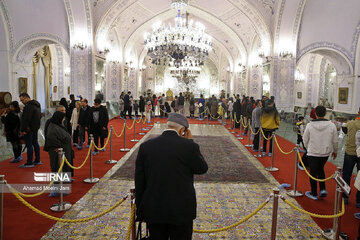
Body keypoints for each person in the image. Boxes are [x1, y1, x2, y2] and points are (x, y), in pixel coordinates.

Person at [135, 113, 208, 240]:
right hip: (181, 210)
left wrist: (141, 210)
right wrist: (190, 141)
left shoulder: (146, 147)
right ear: (182, 130)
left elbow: (140, 181)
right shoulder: (189, 147)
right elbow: (202, 168)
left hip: (154, 208)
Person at [303, 106, 338, 200]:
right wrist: (335, 151)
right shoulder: (331, 125)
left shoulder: (310, 125)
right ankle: (322, 189)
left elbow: (305, 139)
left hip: (313, 152)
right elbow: (335, 140)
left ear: (315, 114)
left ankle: (314, 193)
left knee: (313, 172)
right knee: (320, 169)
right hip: (325, 153)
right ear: (325, 113)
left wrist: (308, 148)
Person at [44, 111, 74, 196]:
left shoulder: (57, 125)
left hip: (63, 152)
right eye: (63, 118)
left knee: (61, 169)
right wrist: (57, 147)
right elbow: (51, 138)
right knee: (57, 169)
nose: (64, 119)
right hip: (57, 153)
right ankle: (56, 190)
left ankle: (60, 186)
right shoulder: (53, 127)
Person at [341, 108, 360, 206]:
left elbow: (344, 129)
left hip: (350, 152)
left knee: (346, 174)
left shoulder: (351, 123)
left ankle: (345, 196)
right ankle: (359, 200)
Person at [19, 93, 41, 168]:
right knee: (35, 143)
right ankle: (37, 160)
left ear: (26, 98)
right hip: (35, 128)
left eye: (22, 100)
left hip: (29, 129)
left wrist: (23, 129)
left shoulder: (29, 106)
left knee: (29, 145)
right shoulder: (37, 104)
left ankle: (29, 162)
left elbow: (26, 119)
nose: (22, 102)